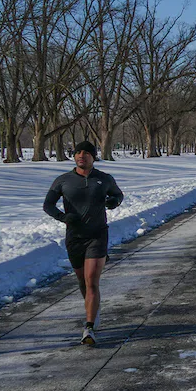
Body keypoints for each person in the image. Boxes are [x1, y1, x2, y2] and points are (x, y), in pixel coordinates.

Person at [43, 141, 123, 345]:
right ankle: (93, 310)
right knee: (82, 281)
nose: (81, 155)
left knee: (91, 280)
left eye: (86, 153)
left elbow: (118, 194)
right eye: (78, 152)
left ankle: (89, 327)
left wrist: (114, 202)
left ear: (93, 157)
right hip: (74, 237)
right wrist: (63, 217)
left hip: (97, 235)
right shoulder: (63, 180)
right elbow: (48, 205)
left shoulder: (104, 178)